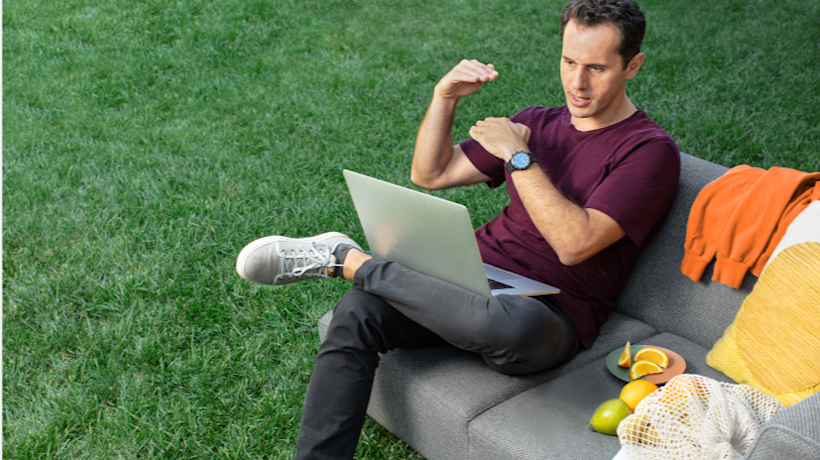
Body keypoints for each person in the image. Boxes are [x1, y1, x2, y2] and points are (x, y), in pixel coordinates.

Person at [235, 0, 680, 458]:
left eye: (596, 68)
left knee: (511, 325)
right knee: (358, 311)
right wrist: (443, 97)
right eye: (568, 62)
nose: (577, 83)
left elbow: (574, 244)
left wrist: (517, 155)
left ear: (633, 66)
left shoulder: (648, 151)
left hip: (546, 316)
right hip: (469, 278)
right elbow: (432, 173)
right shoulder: (537, 122)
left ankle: (348, 261)